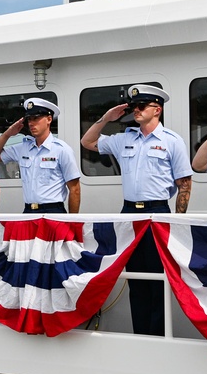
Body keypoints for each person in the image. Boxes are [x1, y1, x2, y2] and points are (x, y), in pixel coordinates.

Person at [81, 84, 192, 336]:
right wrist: (106, 119)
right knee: (136, 279)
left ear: (157, 109)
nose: (136, 111)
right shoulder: (123, 139)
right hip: (129, 213)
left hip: (157, 213)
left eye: (141, 107)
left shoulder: (172, 141)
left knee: (157, 282)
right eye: (134, 107)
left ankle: (158, 337)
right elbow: (87, 141)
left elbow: (184, 184)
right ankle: (140, 335)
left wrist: (174, 222)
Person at [0, 98, 81, 213]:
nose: (31, 123)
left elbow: (75, 189)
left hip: (53, 211)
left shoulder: (61, 150)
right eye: (29, 119)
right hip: (28, 211)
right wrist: (7, 134)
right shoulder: (23, 148)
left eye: (36, 118)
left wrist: (71, 222)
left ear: (49, 119)